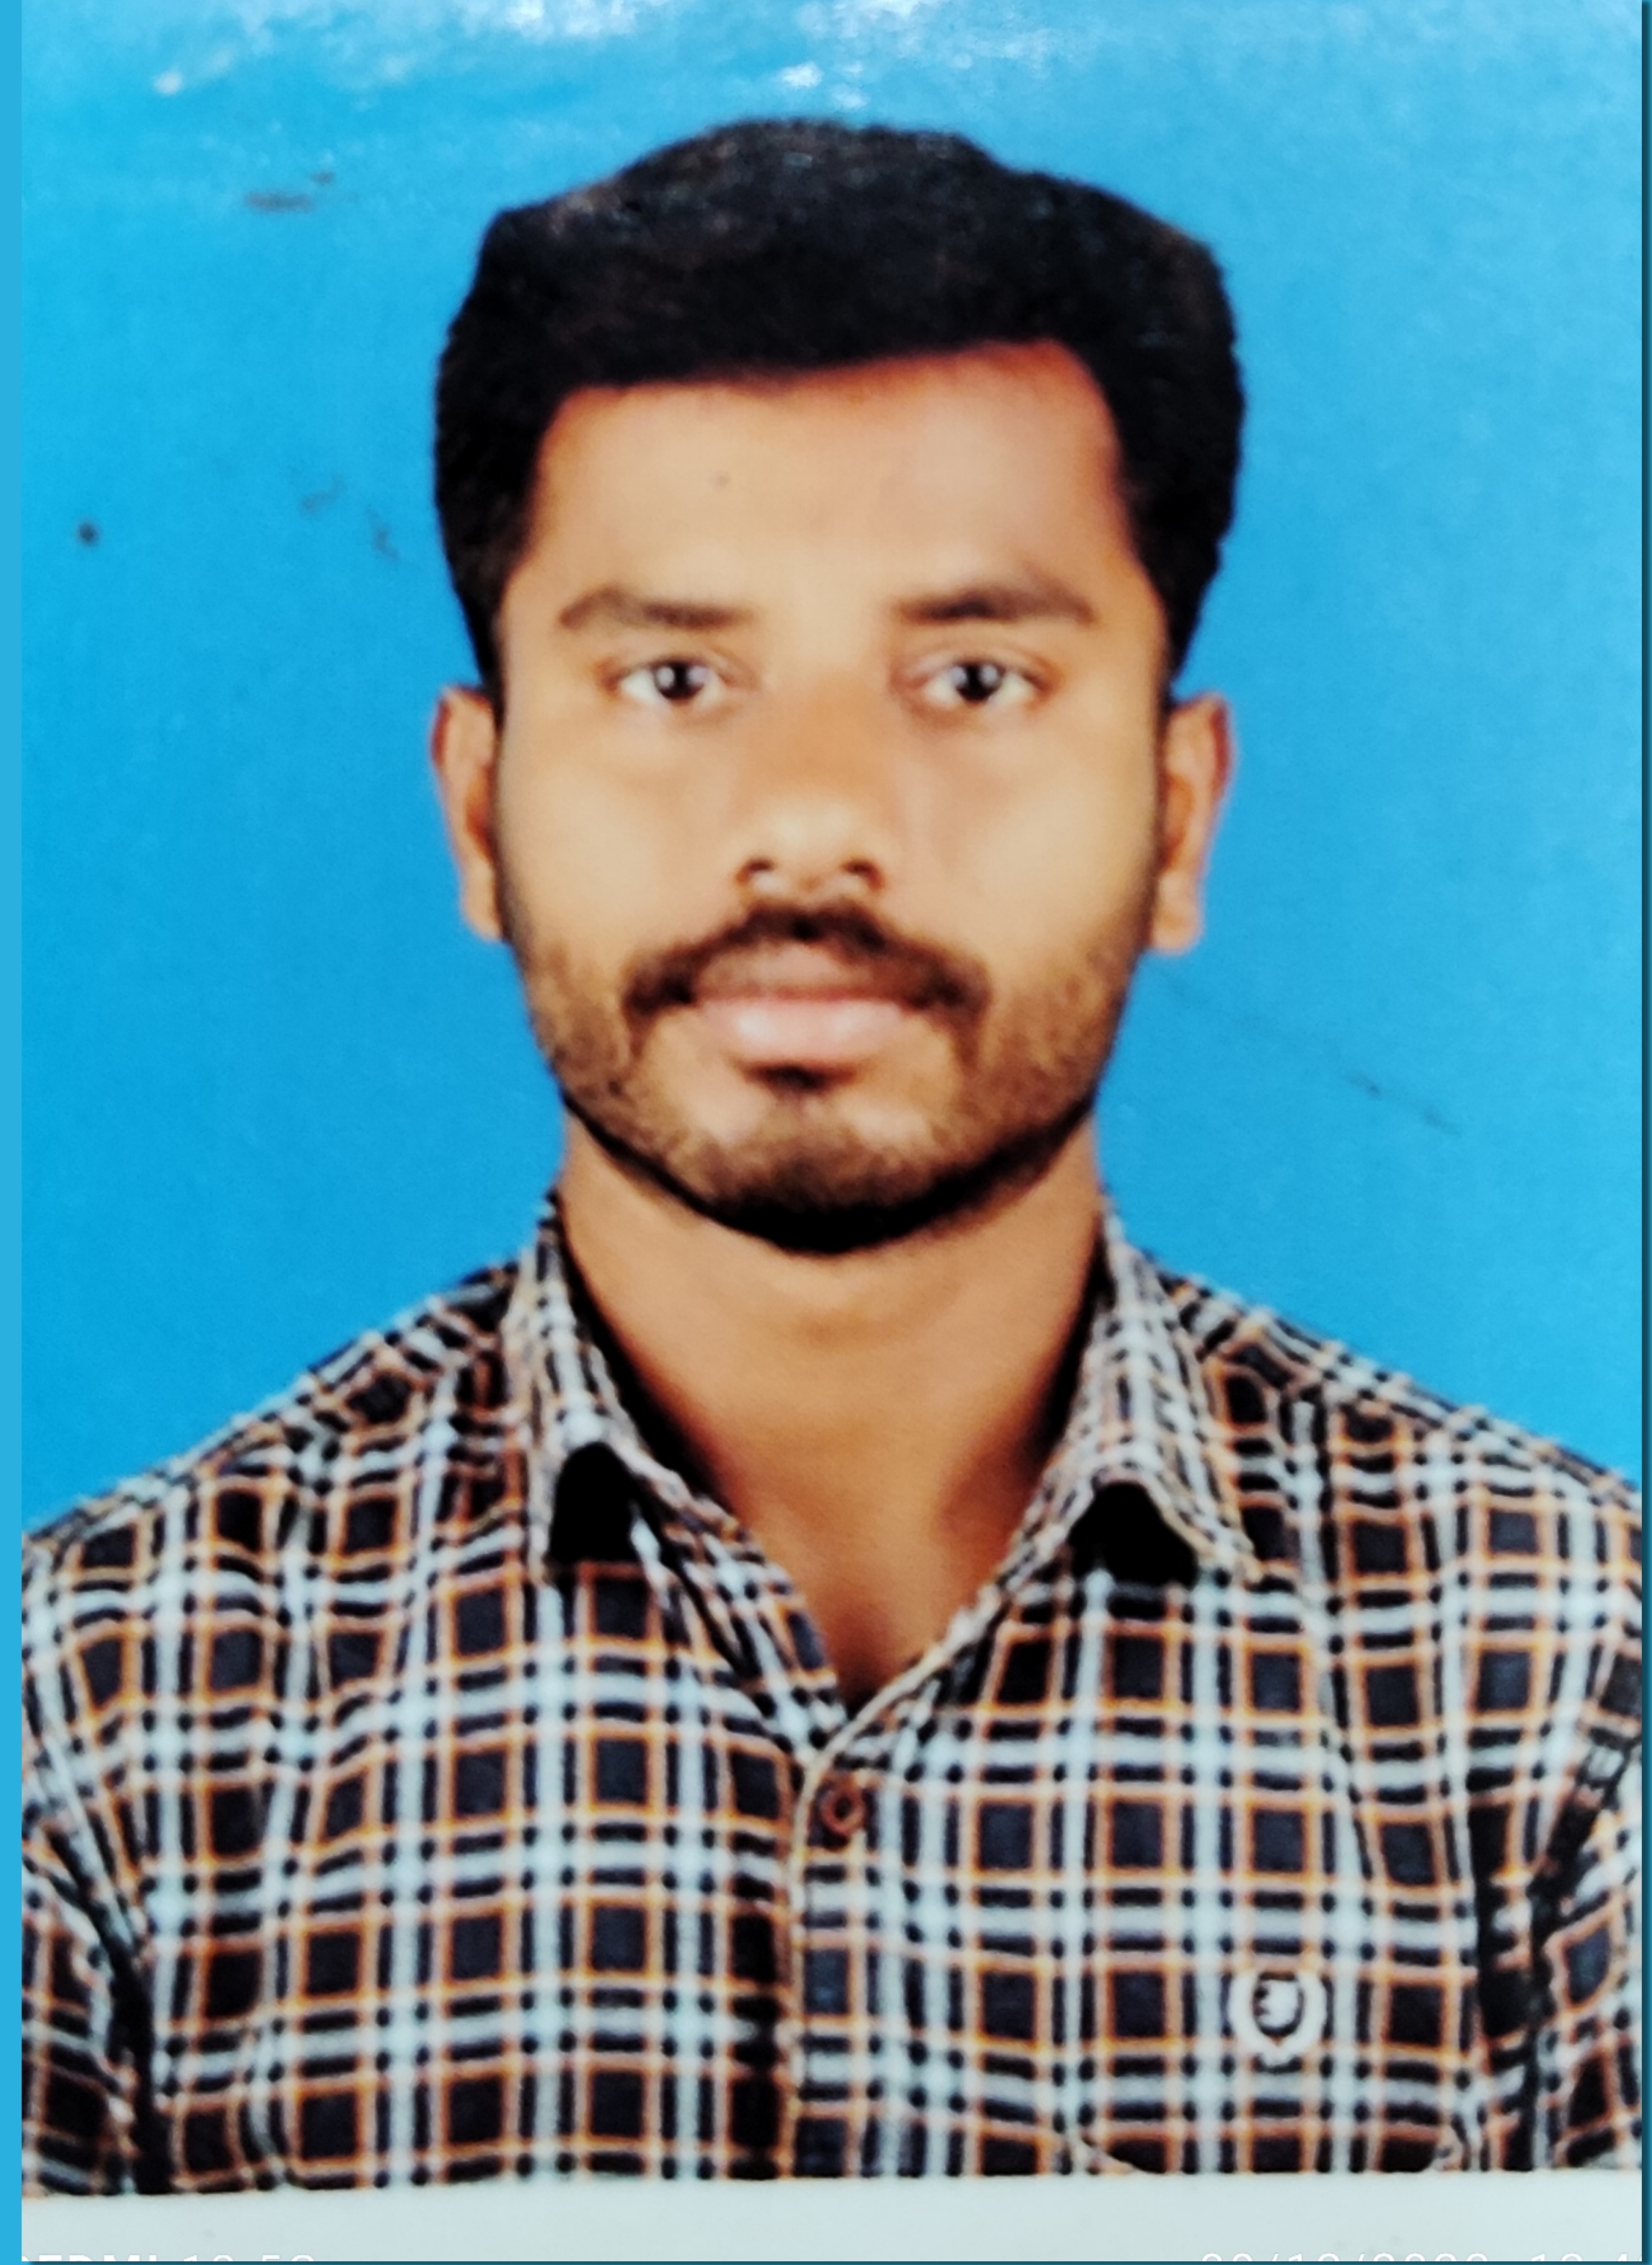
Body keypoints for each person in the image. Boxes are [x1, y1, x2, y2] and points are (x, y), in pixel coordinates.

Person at [23, 118, 1639, 2193]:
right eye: (675, 677)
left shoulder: (1569, 1669)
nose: (812, 824)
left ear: (1177, 815)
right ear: (478, 808)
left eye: (971, 678)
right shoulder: (106, 1696)